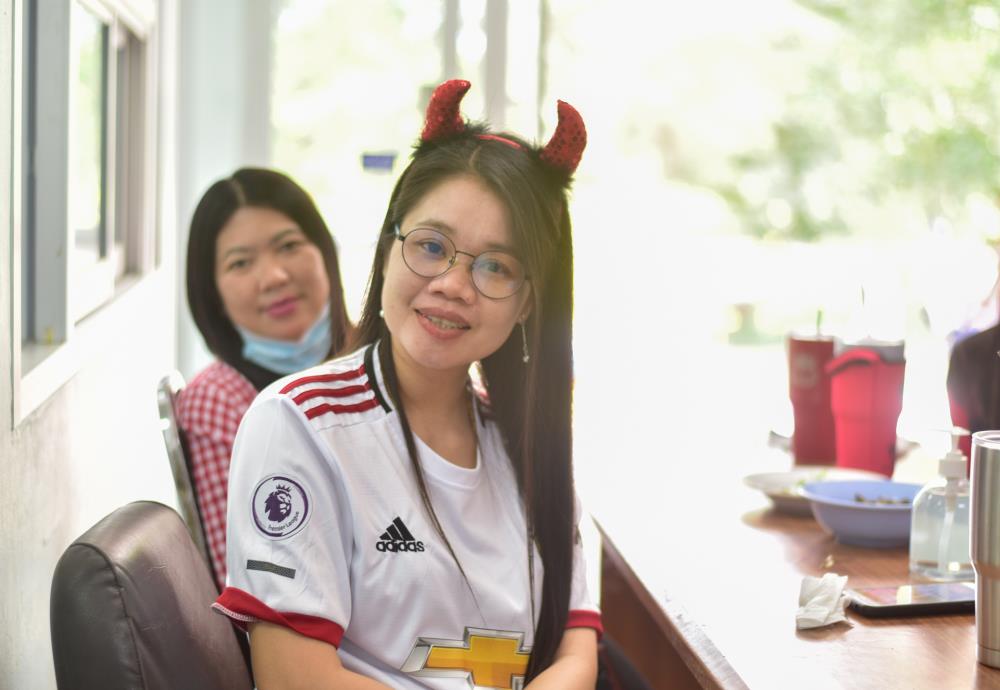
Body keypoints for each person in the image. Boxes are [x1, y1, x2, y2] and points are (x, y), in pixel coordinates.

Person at [212, 79, 602, 689]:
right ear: (387, 249)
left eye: (496, 266)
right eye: (431, 246)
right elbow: (292, 678)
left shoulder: (524, 443)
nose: (453, 284)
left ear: (528, 302)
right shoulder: (298, 423)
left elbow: (576, 647)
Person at [176, 167, 352, 590]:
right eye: (241, 263)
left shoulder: (387, 356)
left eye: (288, 246)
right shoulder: (220, 400)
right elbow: (254, 578)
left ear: (324, 252)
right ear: (213, 294)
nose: (274, 277)